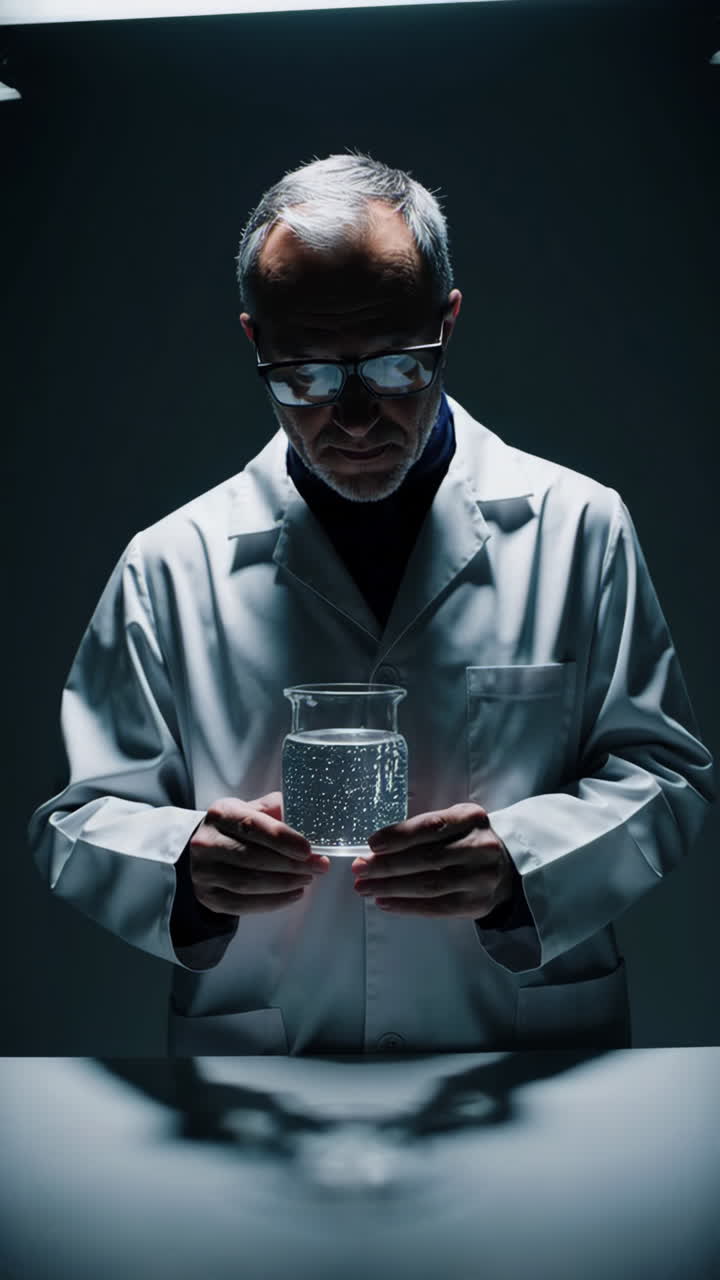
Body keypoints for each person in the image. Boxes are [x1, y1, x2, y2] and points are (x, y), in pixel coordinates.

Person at [28, 152, 714, 1056]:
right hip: (272, 1063)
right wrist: (185, 865)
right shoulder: (170, 563)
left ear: (449, 321)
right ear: (254, 342)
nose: (352, 418)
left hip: (521, 1053)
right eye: (305, 374)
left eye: (394, 366)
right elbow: (77, 821)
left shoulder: (577, 525)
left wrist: (525, 859)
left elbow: (666, 775)